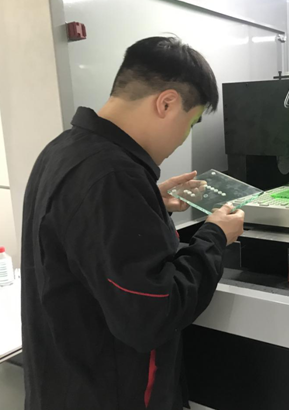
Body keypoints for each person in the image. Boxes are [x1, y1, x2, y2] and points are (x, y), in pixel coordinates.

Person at [20, 36, 244, 410]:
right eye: (190, 123)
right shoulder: (113, 176)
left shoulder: (64, 149)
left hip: (63, 384)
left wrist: (149, 201)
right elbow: (152, 315)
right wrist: (215, 236)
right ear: (166, 103)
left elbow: (84, 240)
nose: (184, 138)